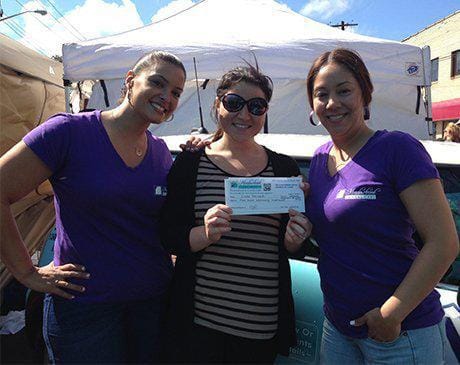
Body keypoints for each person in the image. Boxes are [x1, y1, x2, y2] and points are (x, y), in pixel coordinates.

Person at [0, 51, 187, 363]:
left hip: (152, 303)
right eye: (158, 82)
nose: (167, 96)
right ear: (130, 80)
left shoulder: (161, 152)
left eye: (177, 93)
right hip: (86, 309)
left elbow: (152, 220)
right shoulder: (69, 132)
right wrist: (26, 272)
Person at [305, 48, 459, 364]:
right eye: (322, 94)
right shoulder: (320, 159)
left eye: (344, 90)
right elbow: (335, 230)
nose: (332, 102)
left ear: (365, 94)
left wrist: (391, 314)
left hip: (400, 332)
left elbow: (444, 243)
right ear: (313, 105)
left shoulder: (397, 149)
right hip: (338, 327)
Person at [160, 63, 312, 364]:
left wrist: (296, 239)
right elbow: (167, 233)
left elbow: (291, 245)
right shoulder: (191, 164)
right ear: (217, 105)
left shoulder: (283, 169)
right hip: (199, 323)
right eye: (234, 103)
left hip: (260, 327)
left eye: (256, 106)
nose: (244, 115)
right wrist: (203, 234)